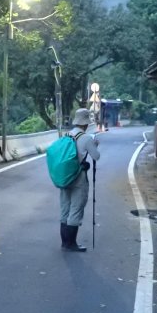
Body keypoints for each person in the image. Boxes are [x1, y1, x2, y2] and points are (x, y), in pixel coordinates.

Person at [59, 107, 100, 252]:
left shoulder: (66, 135)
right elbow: (96, 156)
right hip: (78, 177)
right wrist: (94, 145)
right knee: (76, 209)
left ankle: (64, 242)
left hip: (64, 176)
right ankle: (72, 244)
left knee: (65, 208)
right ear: (86, 123)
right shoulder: (86, 138)